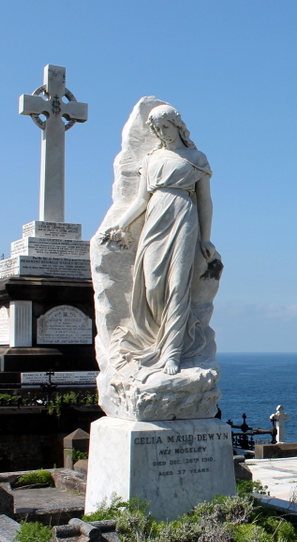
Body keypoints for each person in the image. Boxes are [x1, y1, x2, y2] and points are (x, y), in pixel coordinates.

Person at [100, 104, 215, 376]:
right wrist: (121, 224)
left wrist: (206, 240)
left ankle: (172, 351)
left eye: (166, 127)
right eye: (158, 129)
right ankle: (154, 340)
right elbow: (141, 199)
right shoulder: (151, 160)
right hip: (155, 219)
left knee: (177, 285)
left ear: (177, 125)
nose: (163, 133)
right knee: (152, 285)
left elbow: (205, 202)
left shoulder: (195, 158)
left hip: (184, 218)